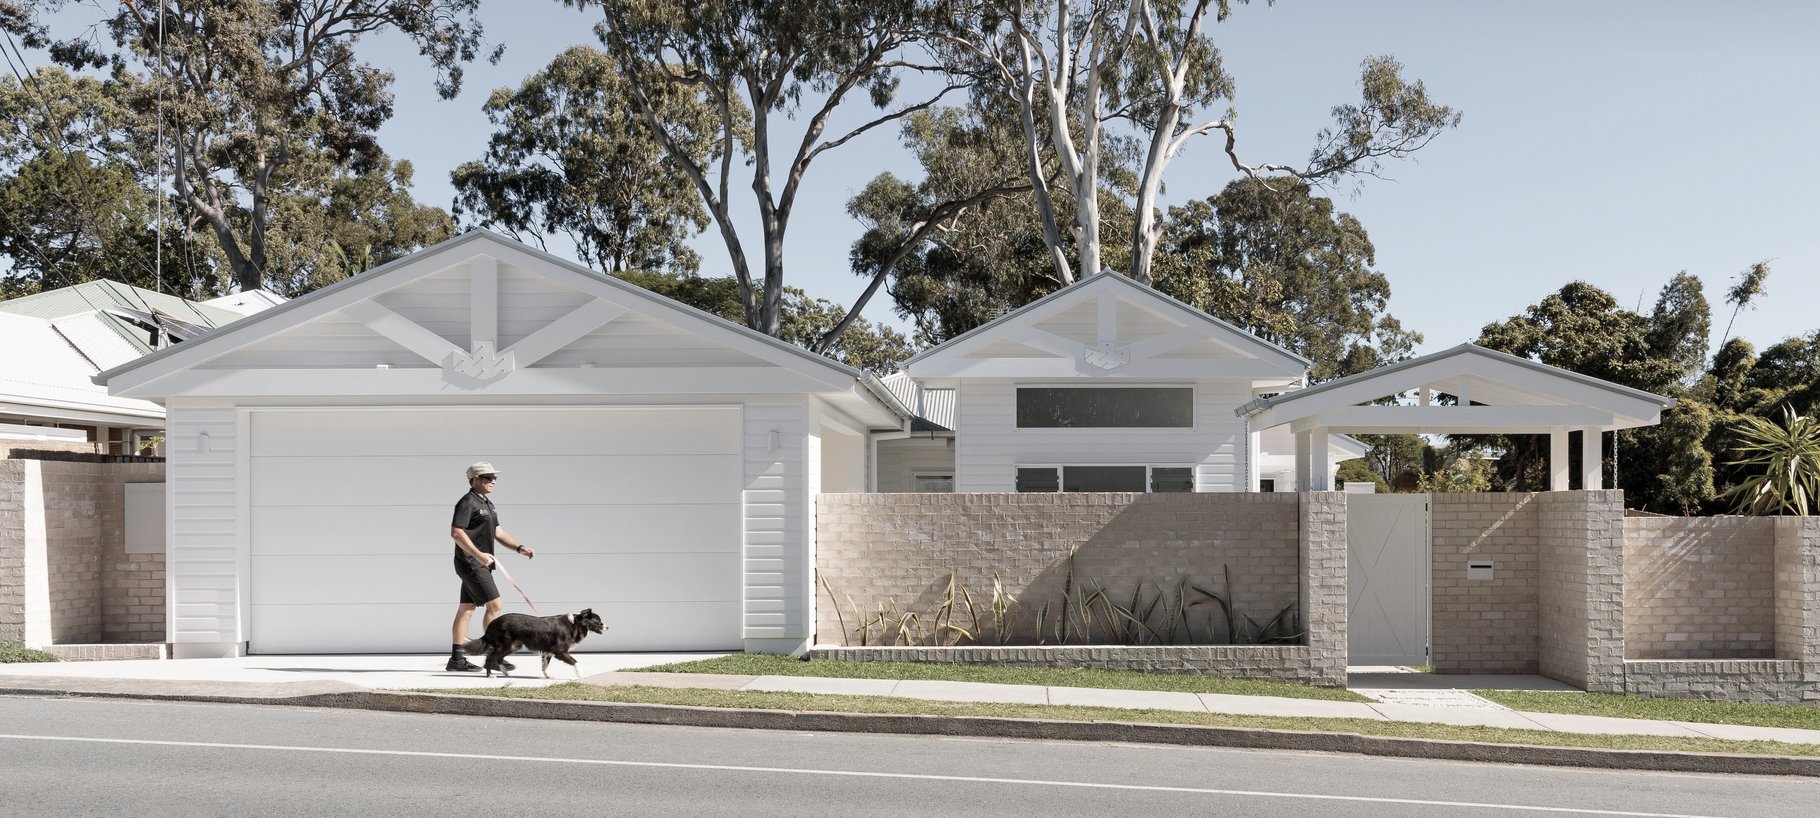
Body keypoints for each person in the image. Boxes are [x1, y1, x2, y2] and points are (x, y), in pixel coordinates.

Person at [446, 461, 535, 672]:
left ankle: (456, 660)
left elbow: (498, 533)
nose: (492, 480)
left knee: (466, 609)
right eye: (487, 477)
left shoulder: (487, 503)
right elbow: (456, 532)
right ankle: (494, 654)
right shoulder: (467, 502)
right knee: (495, 605)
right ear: (475, 479)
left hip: (478, 563)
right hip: (471, 563)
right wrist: (478, 555)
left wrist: (519, 547)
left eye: (494, 477)